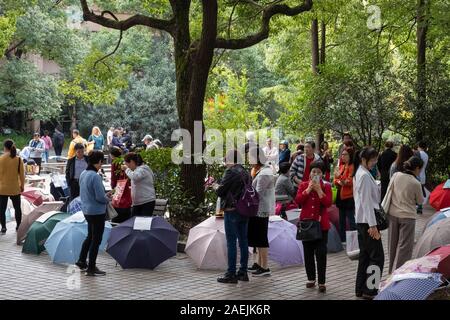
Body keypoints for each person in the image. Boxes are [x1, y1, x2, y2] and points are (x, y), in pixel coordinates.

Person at [295, 160, 332, 293]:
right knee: (308, 252)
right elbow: (298, 200)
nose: (315, 174)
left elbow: (328, 203)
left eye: (318, 172)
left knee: (321, 253)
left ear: (322, 174)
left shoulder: (326, 186)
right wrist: (309, 189)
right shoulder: (304, 185)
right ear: (310, 173)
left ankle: (322, 281)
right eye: (313, 171)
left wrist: (319, 190)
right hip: (306, 224)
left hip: (321, 225)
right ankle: (311, 278)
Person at [353, 147, 384, 299]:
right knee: (377, 257)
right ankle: (370, 290)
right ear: (363, 159)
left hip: (362, 221)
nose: (374, 162)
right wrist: (373, 226)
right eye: (372, 160)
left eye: (375, 159)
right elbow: (366, 202)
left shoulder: (361, 173)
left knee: (365, 256)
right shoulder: (364, 175)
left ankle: (361, 289)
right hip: (368, 222)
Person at [216, 150, 251, 284]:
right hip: (245, 210)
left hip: (232, 210)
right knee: (243, 241)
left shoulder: (230, 172)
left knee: (231, 241)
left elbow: (220, 191)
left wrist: (215, 186)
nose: (225, 163)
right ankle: (243, 272)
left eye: (226, 160)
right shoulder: (246, 172)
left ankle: (231, 273)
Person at [385, 156, 424, 274]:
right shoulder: (415, 183)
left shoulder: (396, 175)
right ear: (417, 168)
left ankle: (390, 271)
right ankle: (398, 274)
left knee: (392, 245)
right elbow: (420, 201)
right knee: (404, 247)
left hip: (392, 214)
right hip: (407, 217)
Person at [76, 150, 111, 276]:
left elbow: (89, 193)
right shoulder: (95, 176)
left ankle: (81, 260)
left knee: (90, 236)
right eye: (102, 161)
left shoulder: (84, 173)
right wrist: (108, 198)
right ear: (100, 161)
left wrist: (104, 196)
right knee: (96, 240)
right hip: (97, 212)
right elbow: (100, 198)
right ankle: (91, 267)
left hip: (87, 210)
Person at [247, 147, 275, 277]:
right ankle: (258, 264)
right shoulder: (259, 171)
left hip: (261, 210)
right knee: (257, 238)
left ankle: (265, 267)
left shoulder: (265, 172)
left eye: (250, 156)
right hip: (256, 210)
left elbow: (256, 193)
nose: (248, 159)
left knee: (261, 238)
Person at [0, 140, 25, 234]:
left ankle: (3, 227)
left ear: (5, 147)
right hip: (15, 188)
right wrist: (22, 185)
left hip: (2, 188)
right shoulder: (18, 159)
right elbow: (22, 175)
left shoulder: (1, 159)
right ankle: (18, 226)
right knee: (17, 208)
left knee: (1, 209)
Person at [334, 146, 356, 243]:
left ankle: (354, 241)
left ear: (350, 155)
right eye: (342, 154)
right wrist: (339, 181)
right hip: (340, 196)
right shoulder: (341, 166)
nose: (343, 156)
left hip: (349, 197)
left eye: (345, 154)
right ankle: (343, 240)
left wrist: (341, 179)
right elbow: (335, 180)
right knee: (341, 220)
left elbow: (350, 182)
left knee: (351, 219)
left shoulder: (352, 167)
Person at [110, 146, 131, 223]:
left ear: (112, 155)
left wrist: (113, 187)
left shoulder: (114, 162)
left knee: (118, 205)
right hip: (125, 186)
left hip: (118, 187)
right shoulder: (123, 161)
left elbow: (113, 177)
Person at [415, 141, 429, 214]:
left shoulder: (418, 154)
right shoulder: (426, 155)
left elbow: (416, 165)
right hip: (423, 175)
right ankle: (420, 207)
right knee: (420, 192)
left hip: (417, 175)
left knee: (416, 192)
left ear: (419, 146)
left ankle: (417, 207)